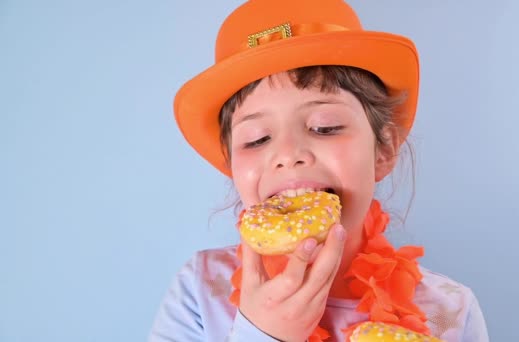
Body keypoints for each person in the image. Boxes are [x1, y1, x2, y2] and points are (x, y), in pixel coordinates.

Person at [149, 0, 489, 341]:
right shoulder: (200, 289)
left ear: (383, 149)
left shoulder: (450, 312)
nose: (288, 154)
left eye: (324, 127)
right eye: (257, 139)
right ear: (232, 165)